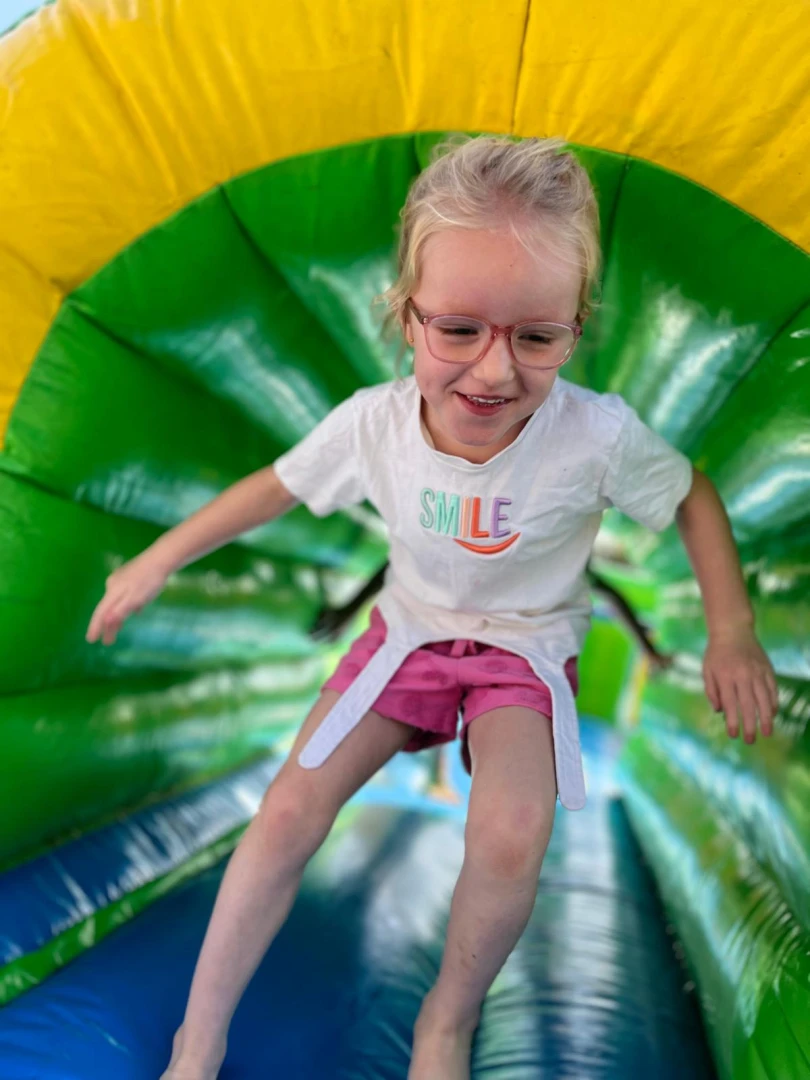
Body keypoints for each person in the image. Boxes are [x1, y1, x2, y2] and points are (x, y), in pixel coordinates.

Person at [85, 134, 778, 1080]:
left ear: (578, 325)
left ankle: (445, 1025)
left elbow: (692, 493)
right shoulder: (374, 423)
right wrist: (157, 558)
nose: (494, 373)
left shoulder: (595, 436)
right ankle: (196, 1044)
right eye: (458, 331)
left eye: (536, 337)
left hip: (524, 657)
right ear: (404, 317)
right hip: (405, 637)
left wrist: (731, 630)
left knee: (511, 829)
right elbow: (277, 487)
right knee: (287, 812)